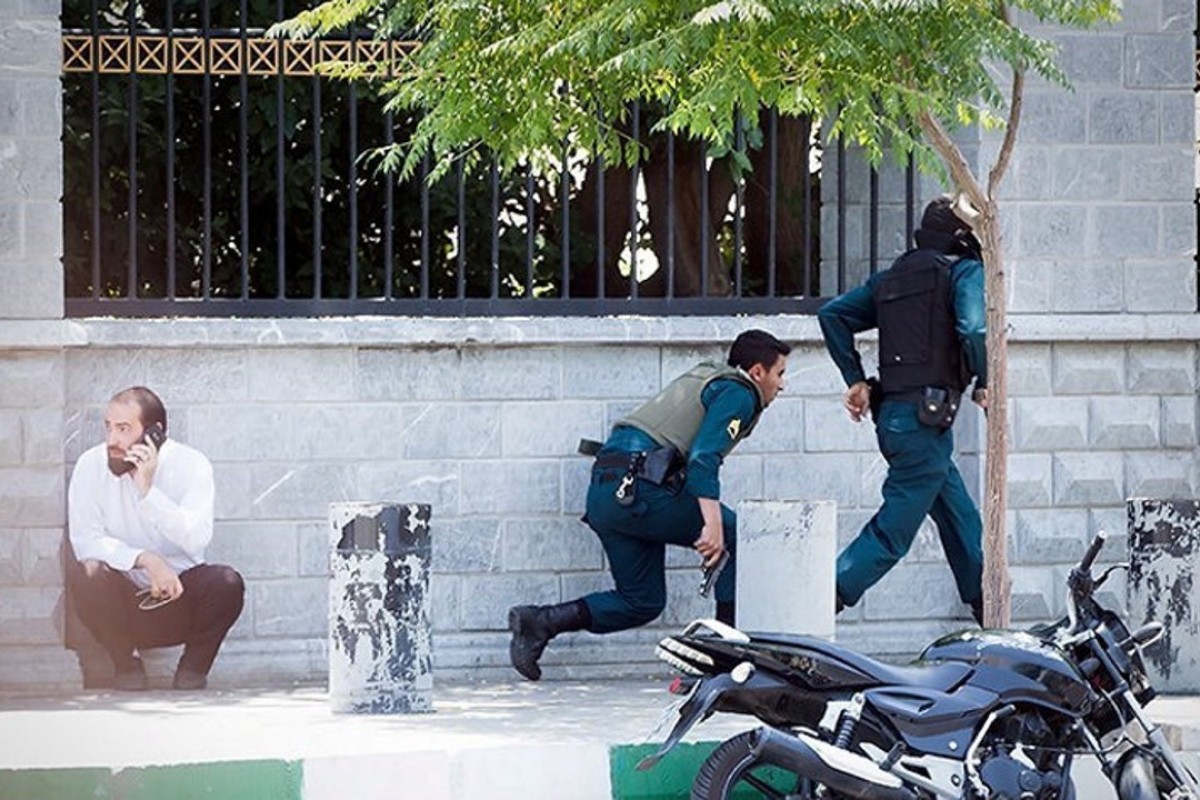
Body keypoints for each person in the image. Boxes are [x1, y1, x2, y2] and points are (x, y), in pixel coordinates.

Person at [507, 329, 791, 681]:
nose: (783, 385)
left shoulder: (706, 376)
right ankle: (725, 660)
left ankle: (540, 623)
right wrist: (713, 525)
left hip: (608, 492)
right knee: (736, 535)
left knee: (642, 600)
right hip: (642, 489)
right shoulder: (739, 391)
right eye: (780, 373)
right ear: (758, 372)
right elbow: (704, 458)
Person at [817, 195, 988, 624]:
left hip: (897, 419)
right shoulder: (963, 271)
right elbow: (972, 327)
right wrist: (985, 382)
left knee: (959, 517)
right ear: (962, 236)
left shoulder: (890, 279)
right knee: (894, 531)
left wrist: (854, 378)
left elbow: (833, 315)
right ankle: (822, 595)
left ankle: (987, 604)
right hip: (924, 424)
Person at [65, 386, 244, 691]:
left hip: (178, 599)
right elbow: (85, 542)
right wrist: (147, 559)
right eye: (108, 427)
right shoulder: (90, 465)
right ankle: (126, 665)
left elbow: (196, 538)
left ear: (154, 432)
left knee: (227, 582)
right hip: (119, 608)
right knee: (87, 573)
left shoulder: (192, 464)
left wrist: (148, 491)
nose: (112, 440)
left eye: (123, 429)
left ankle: (192, 671)